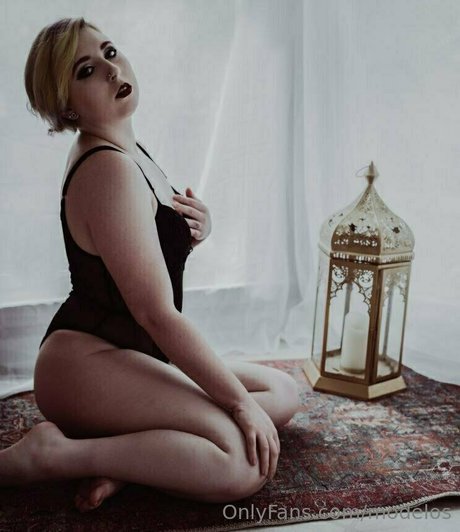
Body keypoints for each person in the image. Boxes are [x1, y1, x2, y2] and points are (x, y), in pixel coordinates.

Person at [0, 17, 300, 512]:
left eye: (110, 52)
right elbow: (155, 313)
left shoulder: (126, 147)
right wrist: (237, 403)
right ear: (66, 104)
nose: (111, 70)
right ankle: (55, 454)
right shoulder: (107, 169)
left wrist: (192, 231)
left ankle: (133, 462)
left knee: (281, 391)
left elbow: (134, 255)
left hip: (134, 355)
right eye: (86, 70)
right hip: (85, 365)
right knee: (243, 462)